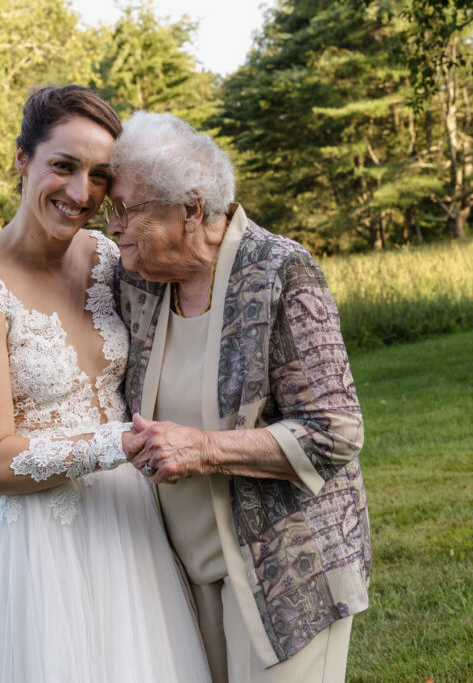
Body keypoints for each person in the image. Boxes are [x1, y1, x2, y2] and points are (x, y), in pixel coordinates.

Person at [0, 87, 211, 683]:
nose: (81, 193)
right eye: (63, 166)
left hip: (129, 520)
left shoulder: (108, 258)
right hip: (35, 547)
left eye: (100, 175)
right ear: (22, 159)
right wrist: (116, 446)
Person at [108, 111, 371, 683]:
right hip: (180, 574)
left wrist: (204, 448)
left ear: (191, 210)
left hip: (286, 571)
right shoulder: (138, 281)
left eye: (126, 209)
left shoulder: (283, 271)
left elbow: (336, 430)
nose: (113, 226)